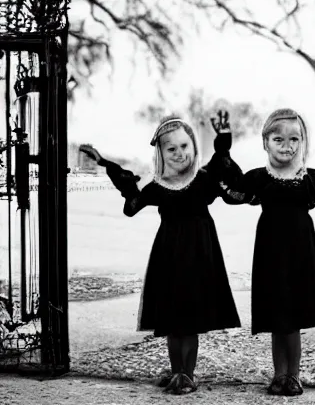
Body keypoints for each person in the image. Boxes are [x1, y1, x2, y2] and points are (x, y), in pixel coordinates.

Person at [216, 108, 315, 396]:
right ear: (265, 142)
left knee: (291, 319)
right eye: (278, 139)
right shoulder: (260, 178)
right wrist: (223, 148)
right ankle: (279, 376)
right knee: (277, 318)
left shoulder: (308, 178)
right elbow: (236, 185)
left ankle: (293, 376)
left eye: (294, 139)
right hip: (269, 252)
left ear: (302, 142)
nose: (287, 145)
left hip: (301, 251)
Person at [79, 112, 241, 395]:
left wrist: (223, 140)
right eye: (171, 148)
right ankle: (177, 372)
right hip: (169, 255)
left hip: (201, 254)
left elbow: (220, 165)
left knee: (191, 319)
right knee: (174, 319)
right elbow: (132, 205)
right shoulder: (159, 186)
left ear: (192, 146)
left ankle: (187, 374)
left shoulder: (203, 181)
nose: (179, 153)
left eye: (184, 146)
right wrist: (108, 165)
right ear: (161, 153)